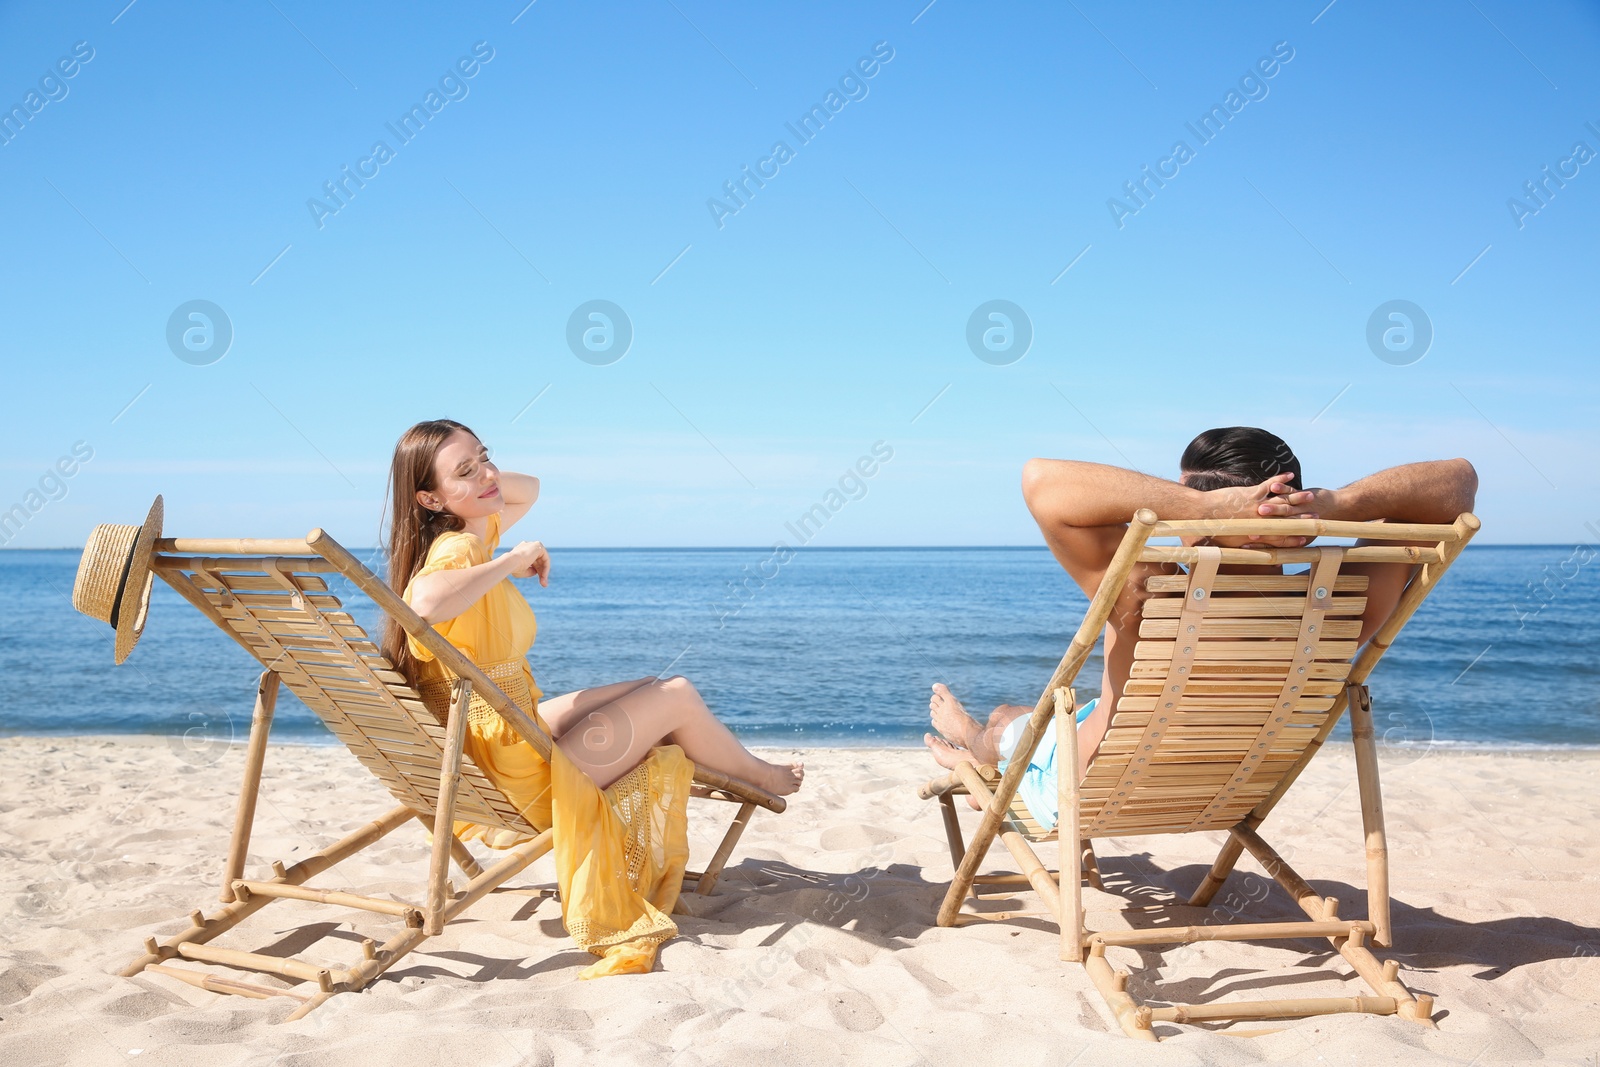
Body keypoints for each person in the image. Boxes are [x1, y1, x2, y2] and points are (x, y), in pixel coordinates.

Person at [381, 419, 803, 977]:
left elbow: (527, 488)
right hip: (523, 778)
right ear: (428, 497)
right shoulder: (460, 547)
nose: (488, 475)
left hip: (493, 740)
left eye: (486, 458)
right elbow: (426, 602)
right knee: (675, 694)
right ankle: (763, 777)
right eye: (465, 471)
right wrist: (514, 557)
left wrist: (469, 479)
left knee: (649, 689)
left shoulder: (463, 533)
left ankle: (729, 765)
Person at [924, 426, 1477, 826]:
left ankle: (971, 744)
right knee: (1030, 715)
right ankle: (979, 761)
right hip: (1229, 784)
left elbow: (1041, 481)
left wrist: (1199, 504)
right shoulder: (1340, 604)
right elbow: (1459, 483)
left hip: (1095, 784)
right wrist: (1340, 505)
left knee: (1002, 724)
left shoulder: (1147, 589)